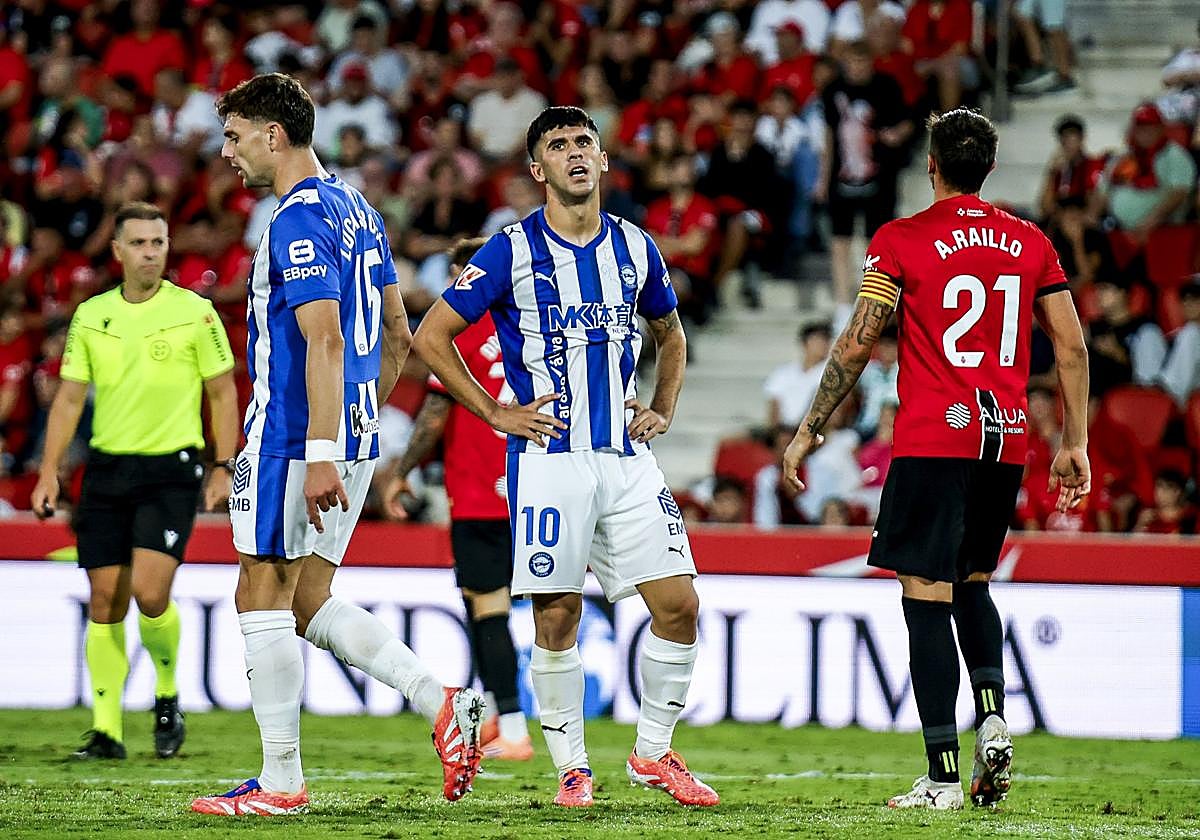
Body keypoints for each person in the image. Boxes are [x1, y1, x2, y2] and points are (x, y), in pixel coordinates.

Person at [190, 73, 483, 817]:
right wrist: (357, 424)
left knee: (260, 588)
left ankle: (281, 783)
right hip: (343, 433)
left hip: (294, 437)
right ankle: (441, 701)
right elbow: (397, 334)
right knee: (307, 597)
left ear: (273, 135)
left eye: (234, 136)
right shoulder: (359, 210)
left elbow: (321, 338)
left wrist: (322, 447)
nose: (228, 152)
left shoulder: (291, 220)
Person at [783, 109, 1091, 810]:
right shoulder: (1030, 242)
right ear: (986, 165)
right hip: (1005, 437)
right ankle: (992, 714)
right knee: (975, 582)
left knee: (925, 595)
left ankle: (944, 778)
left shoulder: (900, 240)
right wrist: (1073, 441)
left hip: (931, 438)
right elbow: (1070, 347)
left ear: (931, 164)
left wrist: (809, 427)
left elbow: (860, 340)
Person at [413, 106, 718, 809]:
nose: (575, 152)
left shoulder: (637, 247)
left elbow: (670, 333)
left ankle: (652, 754)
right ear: (537, 169)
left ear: (605, 161)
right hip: (550, 458)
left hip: (627, 458)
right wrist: (493, 412)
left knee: (680, 607)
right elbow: (434, 335)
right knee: (557, 617)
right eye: (558, 144)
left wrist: (663, 406)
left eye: (586, 141)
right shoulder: (509, 250)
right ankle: (572, 769)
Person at [30, 201, 240, 761]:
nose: (151, 252)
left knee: (150, 593)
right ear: (118, 250)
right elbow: (70, 397)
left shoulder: (195, 312)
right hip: (106, 469)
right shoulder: (92, 315)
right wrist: (49, 471)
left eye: (159, 242)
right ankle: (107, 732)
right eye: (141, 243)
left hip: (171, 469)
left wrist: (224, 467)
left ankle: (167, 695)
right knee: (104, 600)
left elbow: (223, 392)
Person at [384, 237, 534, 762]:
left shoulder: (461, 332)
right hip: (530, 488)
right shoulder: (533, 325)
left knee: (488, 609)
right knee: (489, 607)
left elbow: (434, 415)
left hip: (479, 494)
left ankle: (515, 728)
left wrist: (400, 472)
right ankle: (499, 714)